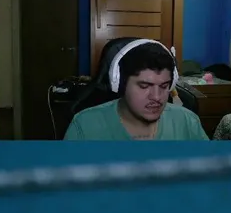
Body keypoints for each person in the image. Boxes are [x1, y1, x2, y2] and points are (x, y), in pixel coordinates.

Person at [65, 41, 208, 141]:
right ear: (121, 84)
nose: (156, 97)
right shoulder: (85, 126)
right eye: (144, 86)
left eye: (164, 86)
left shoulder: (187, 122)